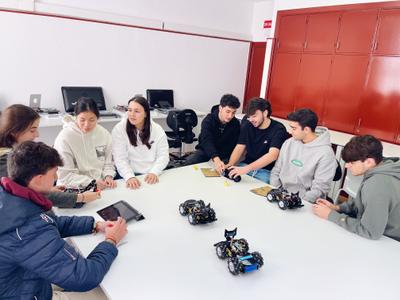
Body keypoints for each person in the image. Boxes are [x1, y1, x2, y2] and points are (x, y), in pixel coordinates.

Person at [0, 141, 128, 299]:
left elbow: (45, 222)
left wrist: (95, 225)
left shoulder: (9, 196)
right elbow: (84, 277)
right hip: (30, 293)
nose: (56, 177)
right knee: (108, 293)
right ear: (38, 179)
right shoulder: (24, 232)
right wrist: (111, 240)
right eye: (53, 173)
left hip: (24, 281)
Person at [0, 104, 100, 208]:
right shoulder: (5, 163)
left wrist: (45, 189)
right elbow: (29, 194)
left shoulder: (12, 154)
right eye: (32, 130)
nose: (37, 135)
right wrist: (80, 197)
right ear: (14, 132)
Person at [313, 135, 400, 241]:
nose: (346, 166)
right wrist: (337, 208)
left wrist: (331, 215)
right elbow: (364, 203)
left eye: (352, 162)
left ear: (369, 162)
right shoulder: (383, 167)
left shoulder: (378, 184)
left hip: (390, 243)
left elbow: (370, 231)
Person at [270, 109, 336, 203]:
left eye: (294, 128)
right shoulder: (289, 143)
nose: (290, 132)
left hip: (304, 202)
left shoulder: (326, 153)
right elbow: (276, 171)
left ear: (306, 130)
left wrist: (295, 202)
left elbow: (319, 189)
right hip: (281, 195)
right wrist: (277, 191)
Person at [54, 97, 117, 190]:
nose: (87, 124)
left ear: (98, 118)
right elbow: (65, 175)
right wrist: (91, 183)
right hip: (73, 187)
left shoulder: (103, 134)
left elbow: (108, 162)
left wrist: (108, 176)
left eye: (92, 120)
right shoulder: (65, 137)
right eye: (82, 120)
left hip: (101, 184)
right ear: (75, 117)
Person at [112, 96, 169, 189]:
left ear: (146, 114)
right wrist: (129, 176)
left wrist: (154, 172)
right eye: (129, 110)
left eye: (137, 111)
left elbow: (163, 155)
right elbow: (120, 158)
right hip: (130, 173)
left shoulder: (157, 129)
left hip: (153, 173)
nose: (132, 114)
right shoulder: (119, 129)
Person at [226, 98, 288, 183]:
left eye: (254, 116)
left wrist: (246, 169)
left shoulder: (278, 129)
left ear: (265, 113)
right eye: (249, 116)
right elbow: (240, 146)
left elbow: (273, 155)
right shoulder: (248, 125)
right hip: (244, 166)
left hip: (265, 172)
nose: (251, 119)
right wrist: (230, 165)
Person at [184, 94, 241, 173]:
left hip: (224, 154)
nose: (230, 116)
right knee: (188, 165)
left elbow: (236, 145)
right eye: (227, 112)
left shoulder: (235, 124)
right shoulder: (208, 120)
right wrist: (216, 159)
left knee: (222, 174)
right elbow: (207, 141)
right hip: (206, 150)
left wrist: (229, 162)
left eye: (233, 113)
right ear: (220, 108)